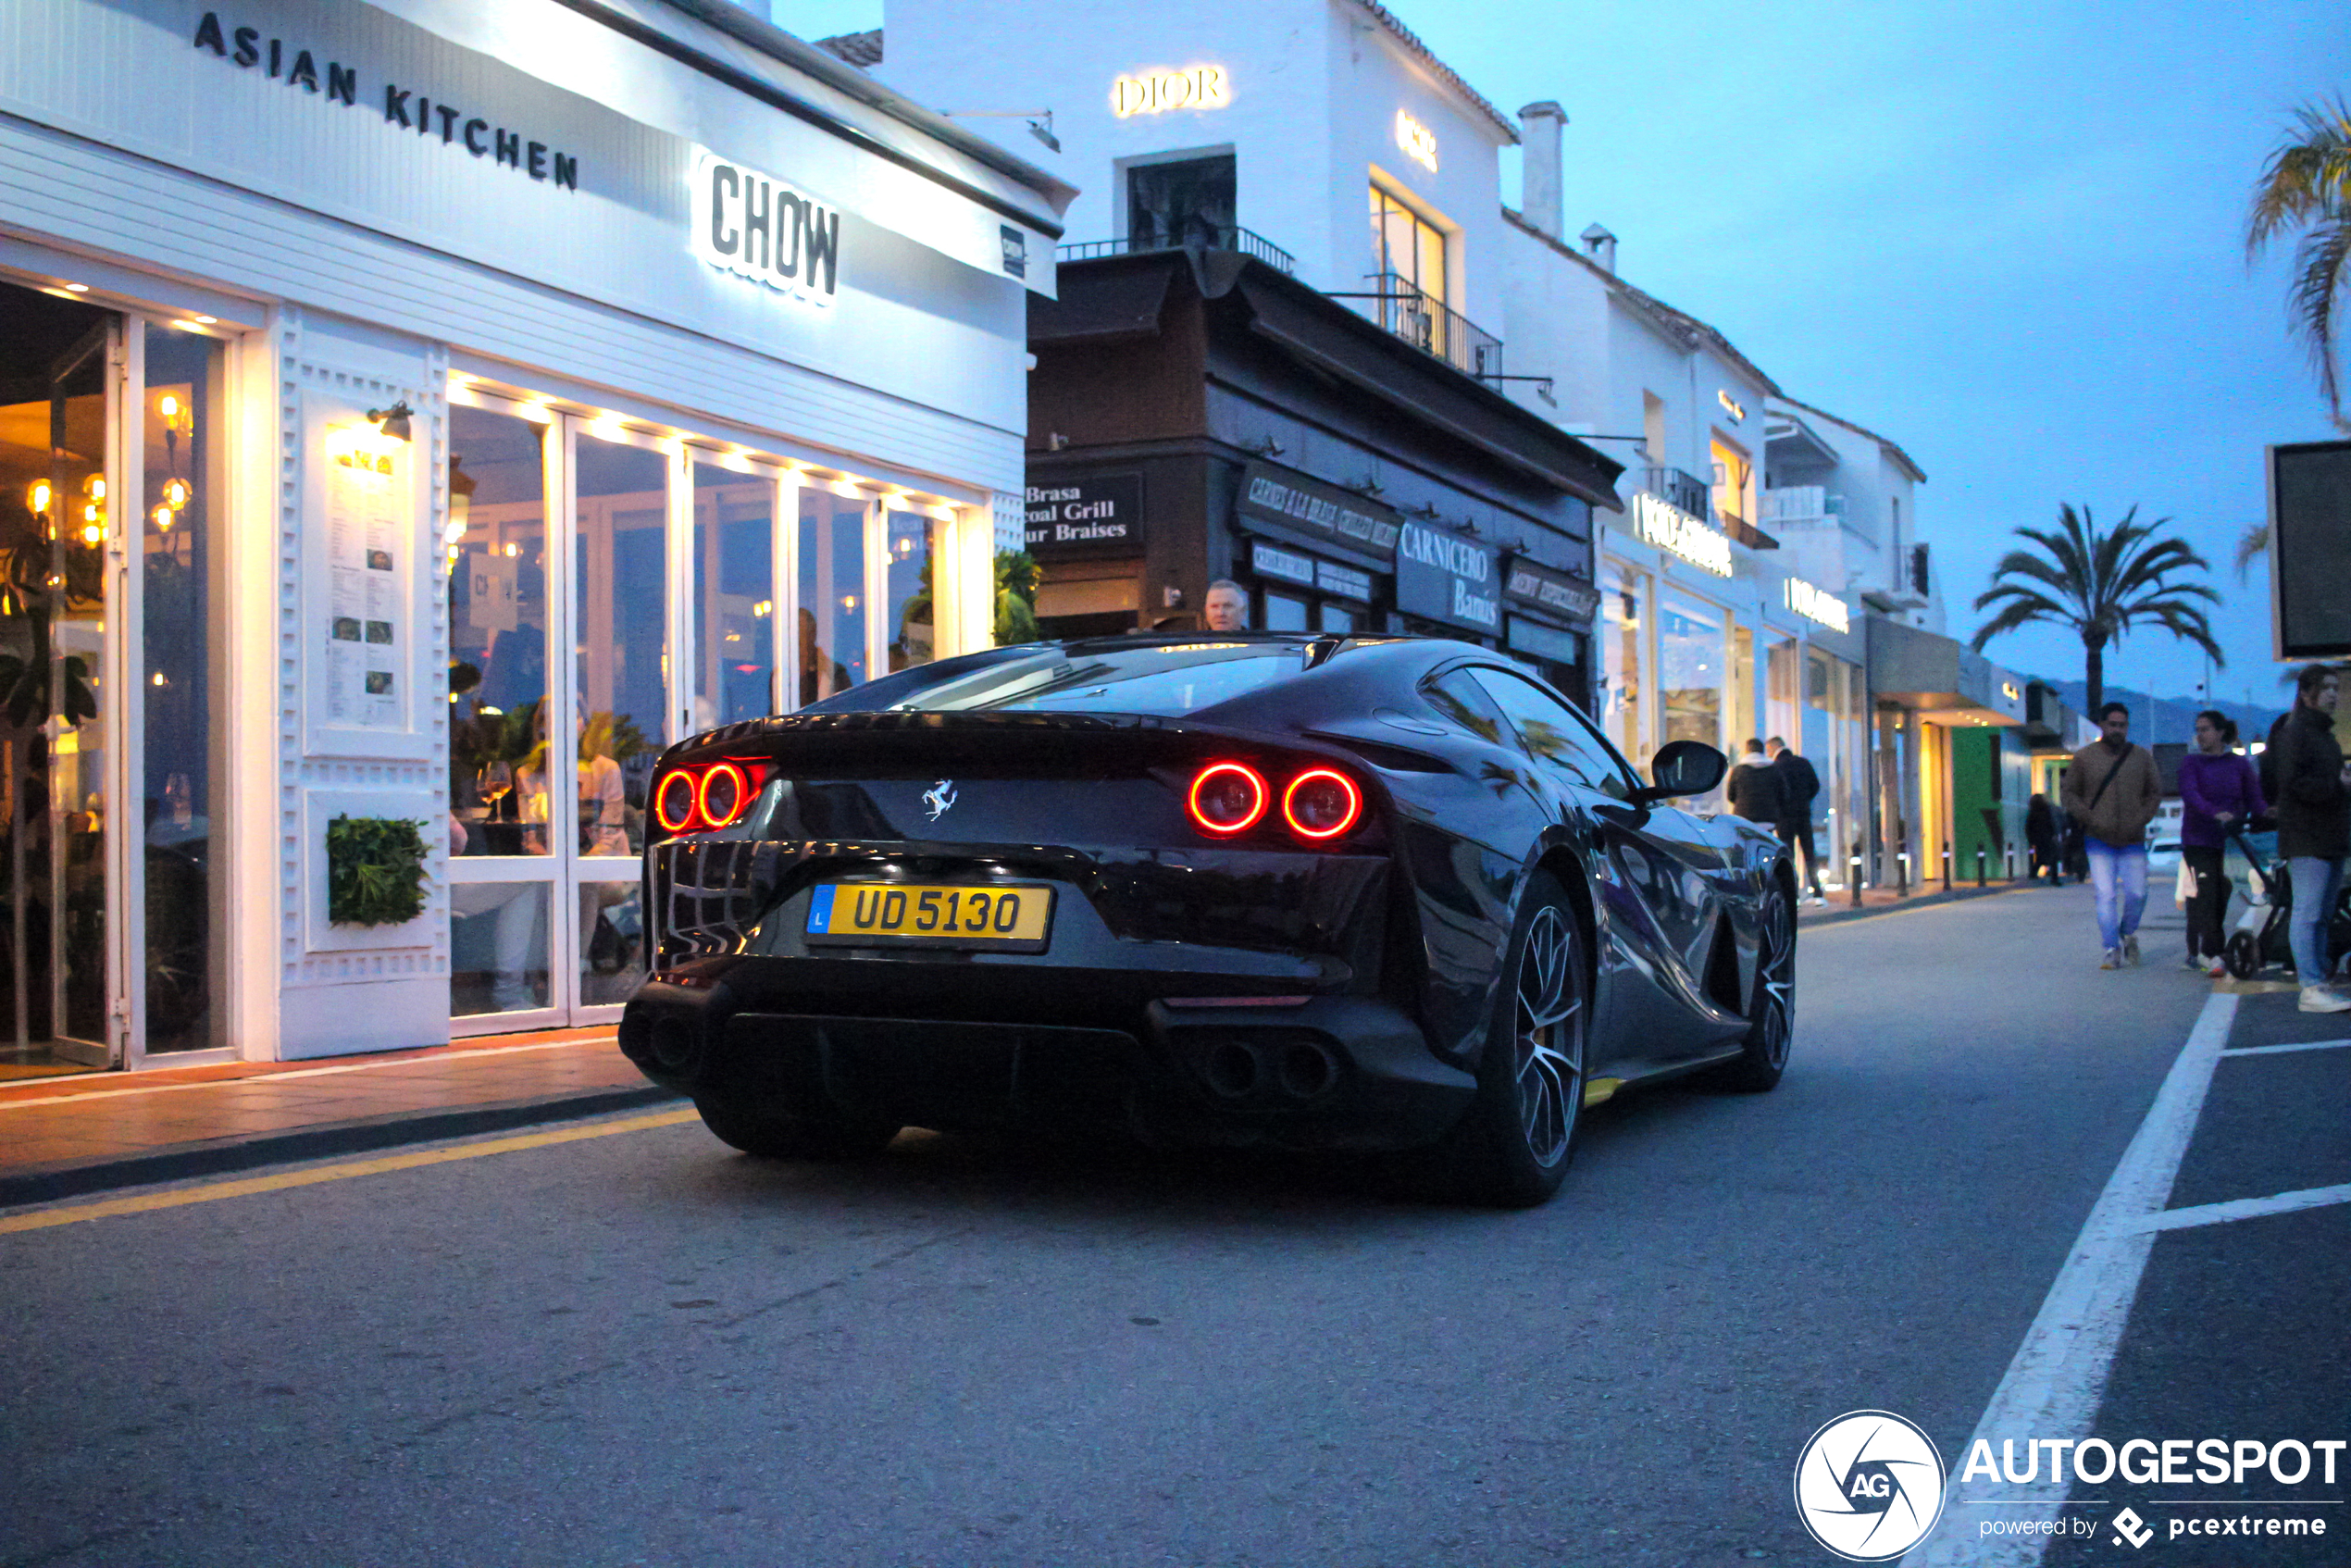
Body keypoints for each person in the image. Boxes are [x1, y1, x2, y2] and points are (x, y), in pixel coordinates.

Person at [2268, 665, 2351, 1012]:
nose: (2334, 694)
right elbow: (2292, 783)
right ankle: (2310, 985)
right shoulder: (2296, 732)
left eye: (2336, 688)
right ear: (2306, 693)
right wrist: (2340, 785)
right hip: (2306, 836)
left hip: (2329, 834)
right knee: (2308, 911)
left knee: (2322, 912)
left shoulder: (2323, 734)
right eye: (2327, 688)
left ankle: (2319, 981)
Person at [2059, 701, 2163, 968]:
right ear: (2103, 725)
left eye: (2123, 725)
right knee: (2105, 895)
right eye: (2113, 724)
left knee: (2138, 893)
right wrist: (2090, 817)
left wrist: (2141, 818)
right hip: (2098, 838)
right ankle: (2110, 948)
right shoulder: (2084, 758)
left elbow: (2154, 791)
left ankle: (2127, 933)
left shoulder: (2141, 757)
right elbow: (2069, 793)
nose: (2118, 729)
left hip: (2132, 838)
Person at [2177, 710, 2264, 977]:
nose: (2200, 735)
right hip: (2199, 840)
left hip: (2230, 842)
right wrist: (2214, 813)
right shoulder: (2191, 764)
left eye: (2205, 729)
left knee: (2221, 893)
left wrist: (2268, 813)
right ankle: (2213, 954)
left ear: (2220, 732)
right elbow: (2191, 795)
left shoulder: (2238, 765)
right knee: (2207, 893)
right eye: (2198, 729)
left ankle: (2202, 949)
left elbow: (2254, 797)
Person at [1764, 736, 1826, 904]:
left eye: (1769, 750)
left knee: (1788, 855)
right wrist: (1804, 800)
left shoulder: (1775, 767)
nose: (1768, 754)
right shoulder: (1803, 763)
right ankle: (1818, 892)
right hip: (1804, 814)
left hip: (1784, 817)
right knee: (1809, 853)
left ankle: (1793, 894)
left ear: (1774, 748)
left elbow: (1773, 792)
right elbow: (1815, 785)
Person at [1726, 738, 1785, 826]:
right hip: (1768, 816)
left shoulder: (1738, 770)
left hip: (1743, 816)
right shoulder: (1774, 770)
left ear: (1747, 751)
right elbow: (1783, 794)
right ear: (1763, 751)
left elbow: (1731, 796)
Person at [2025, 792, 2062, 885]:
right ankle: (2054, 879)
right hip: (2048, 837)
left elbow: (2028, 827)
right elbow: (2051, 824)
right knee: (2052, 858)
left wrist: (2031, 840)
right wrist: (2054, 834)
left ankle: (2033, 873)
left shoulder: (2032, 813)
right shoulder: (2046, 810)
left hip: (2038, 839)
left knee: (2040, 858)